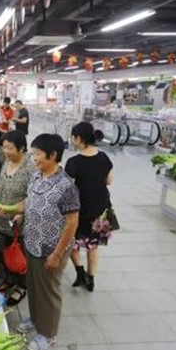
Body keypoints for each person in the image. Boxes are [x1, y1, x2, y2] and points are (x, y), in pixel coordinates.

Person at [0, 133, 79, 350]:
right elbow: (29, 201)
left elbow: (72, 223)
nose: (33, 158)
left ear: (53, 155)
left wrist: (57, 254)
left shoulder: (66, 186)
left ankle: (49, 333)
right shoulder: (37, 176)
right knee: (34, 285)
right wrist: (13, 211)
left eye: (37, 154)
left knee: (49, 290)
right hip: (32, 241)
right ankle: (36, 319)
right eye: (33, 153)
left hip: (52, 247)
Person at [0, 131, 36, 306]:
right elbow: (1, 182)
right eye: (4, 147)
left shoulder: (31, 167)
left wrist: (20, 212)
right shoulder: (7, 161)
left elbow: (34, 194)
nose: (6, 151)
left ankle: (22, 286)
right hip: (2, 217)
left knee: (19, 255)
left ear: (22, 148)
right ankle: (8, 279)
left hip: (20, 221)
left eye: (10, 148)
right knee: (3, 251)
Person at [65, 122, 114, 292]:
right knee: (93, 245)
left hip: (80, 209)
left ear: (79, 138)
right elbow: (109, 181)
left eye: (73, 136)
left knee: (71, 242)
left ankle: (80, 272)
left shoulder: (74, 162)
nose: (72, 140)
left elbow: (68, 189)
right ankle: (91, 279)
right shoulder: (104, 157)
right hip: (100, 208)